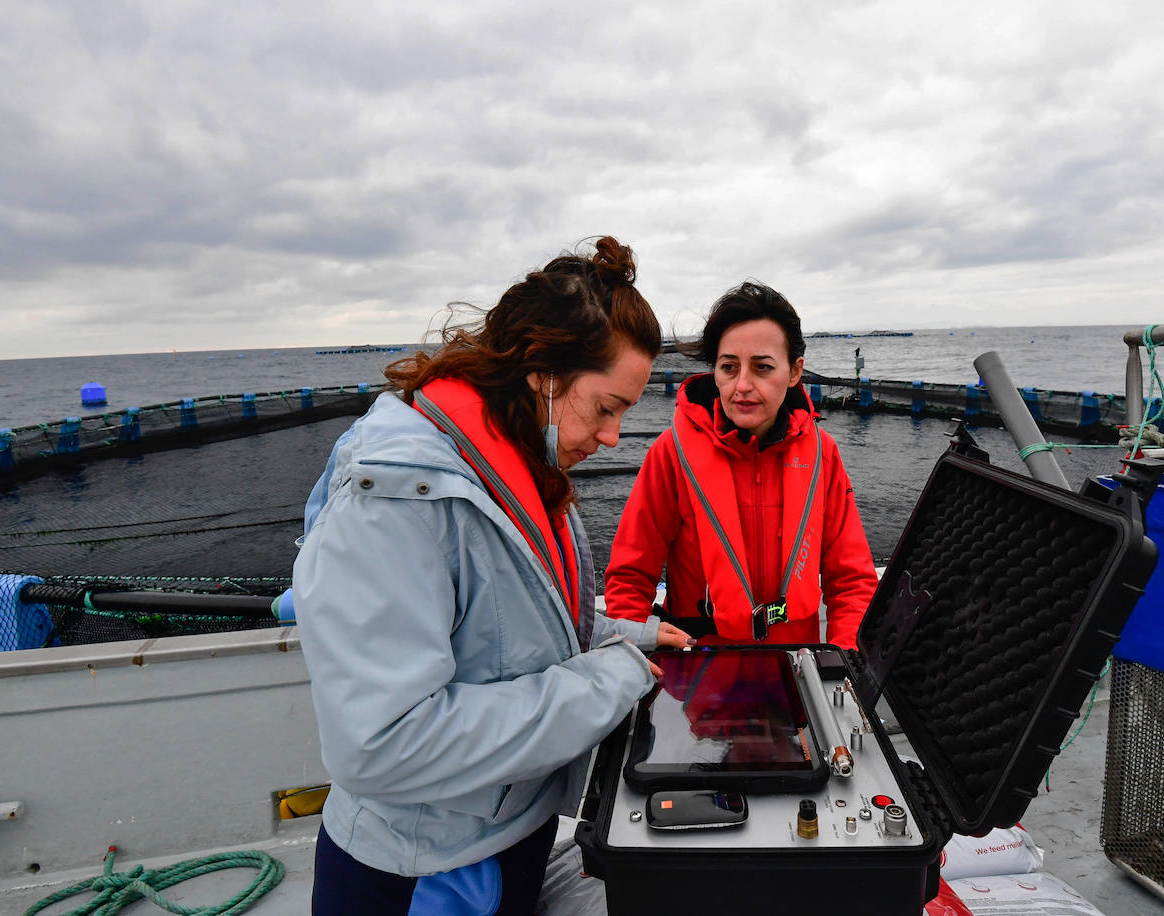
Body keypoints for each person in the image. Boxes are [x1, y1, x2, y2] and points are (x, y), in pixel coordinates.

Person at [293, 237, 692, 916]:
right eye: (606, 406)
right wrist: (611, 680)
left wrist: (635, 635)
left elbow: (513, 627)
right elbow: (382, 744)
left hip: (504, 844)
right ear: (544, 372)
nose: (615, 436)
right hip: (421, 880)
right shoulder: (395, 500)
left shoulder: (513, 468)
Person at [605, 281, 877, 649]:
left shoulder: (822, 454)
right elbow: (630, 578)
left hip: (798, 669)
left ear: (795, 372)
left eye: (763, 368)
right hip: (699, 670)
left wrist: (845, 664)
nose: (742, 385)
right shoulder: (672, 453)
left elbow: (852, 580)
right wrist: (634, 659)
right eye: (729, 367)